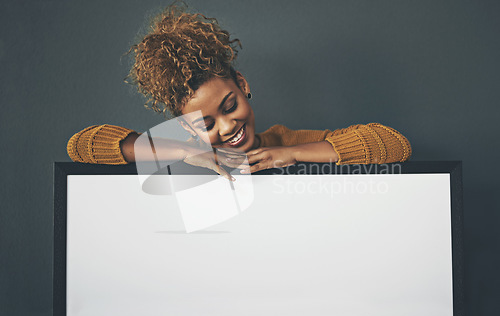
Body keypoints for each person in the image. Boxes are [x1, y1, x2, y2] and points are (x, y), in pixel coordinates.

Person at [66, 2, 412, 179]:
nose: (227, 127)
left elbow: (394, 145)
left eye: (229, 107)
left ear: (243, 86)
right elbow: (82, 145)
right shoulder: (183, 151)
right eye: (206, 124)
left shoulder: (286, 140)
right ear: (187, 127)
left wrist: (291, 154)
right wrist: (182, 151)